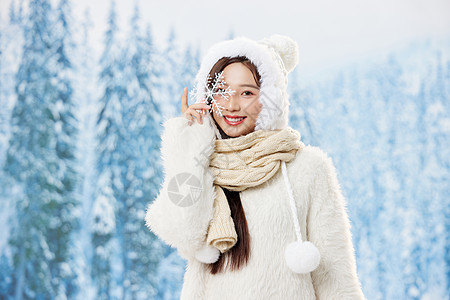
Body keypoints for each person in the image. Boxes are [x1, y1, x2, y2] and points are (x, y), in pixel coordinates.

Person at [145, 34, 366, 299]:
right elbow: (183, 233)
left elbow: (336, 278)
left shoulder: (307, 169)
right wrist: (190, 142)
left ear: (270, 97)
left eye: (247, 92)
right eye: (221, 91)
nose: (232, 104)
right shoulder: (202, 164)